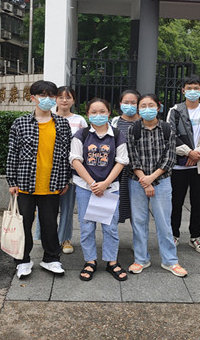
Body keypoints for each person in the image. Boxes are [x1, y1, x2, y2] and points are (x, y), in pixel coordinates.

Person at [6, 80, 72, 278]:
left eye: (51, 96)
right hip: (25, 183)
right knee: (24, 224)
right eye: (43, 95)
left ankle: (51, 258)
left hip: (52, 183)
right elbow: (12, 154)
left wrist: (66, 179)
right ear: (33, 98)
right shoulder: (21, 123)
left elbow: (67, 155)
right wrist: (12, 182)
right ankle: (22, 261)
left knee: (50, 223)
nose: (47, 99)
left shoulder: (62, 124)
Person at [127, 94, 187, 277]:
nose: (147, 109)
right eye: (143, 106)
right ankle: (140, 259)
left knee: (164, 222)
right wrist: (144, 180)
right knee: (139, 221)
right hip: (137, 180)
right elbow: (132, 157)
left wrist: (151, 179)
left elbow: (170, 157)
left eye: (151, 105)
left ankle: (170, 260)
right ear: (138, 109)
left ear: (158, 108)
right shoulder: (133, 129)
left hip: (162, 180)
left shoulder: (167, 129)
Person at [71, 98, 129, 282]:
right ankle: (90, 261)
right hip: (85, 188)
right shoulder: (81, 134)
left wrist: (104, 184)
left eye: (102, 111)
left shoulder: (117, 135)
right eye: (93, 112)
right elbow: (75, 160)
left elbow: (121, 161)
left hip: (109, 188)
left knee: (110, 226)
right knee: (87, 226)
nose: (98, 115)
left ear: (109, 113)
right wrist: (92, 184)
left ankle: (112, 261)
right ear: (87, 114)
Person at [167, 75, 200, 254]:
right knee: (176, 202)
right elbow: (171, 135)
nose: (192, 91)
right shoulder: (175, 110)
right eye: (188, 88)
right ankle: (174, 234)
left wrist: (198, 153)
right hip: (179, 165)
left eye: (196, 88)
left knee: (198, 203)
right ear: (183, 90)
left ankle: (195, 236)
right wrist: (188, 152)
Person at [34, 86, 87, 254]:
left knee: (67, 207)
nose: (64, 100)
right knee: (44, 207)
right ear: (55, 99)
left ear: (74, 100)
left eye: (68, 97)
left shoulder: (80, 120)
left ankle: (65, 238)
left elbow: (85, 146)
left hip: (71, 170)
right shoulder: (46, 117)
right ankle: (44, 237)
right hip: (48, 169)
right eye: (61, 97)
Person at [110, 89, 140, 223]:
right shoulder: (113, 123)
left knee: (138, 213)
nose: (129, 105)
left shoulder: (145, 122)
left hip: (139, 173)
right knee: (113, 209)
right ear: (120, 103)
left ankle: (138, 237)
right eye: (126, 102)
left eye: (133, 103)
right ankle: (111, 235)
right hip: (117, 172)